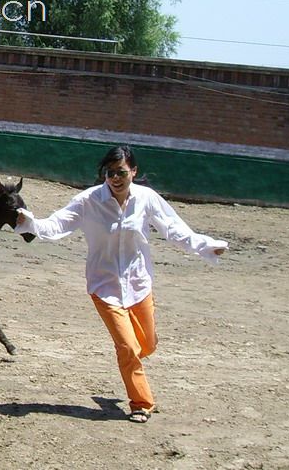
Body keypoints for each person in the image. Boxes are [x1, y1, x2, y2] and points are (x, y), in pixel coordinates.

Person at [14, 145, 228, 423]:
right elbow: (57, 225)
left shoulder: (146, 198)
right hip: (104, 287)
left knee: (146, 345)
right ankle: (141, 403)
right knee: (127, 347)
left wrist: (206, 246)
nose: (115, 178)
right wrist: (31, 223)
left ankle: (137, 360)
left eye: (121, 172)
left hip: (139, 283)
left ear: (134, 172)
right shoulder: (88, 201)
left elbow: (173, 229)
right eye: (110, 173)